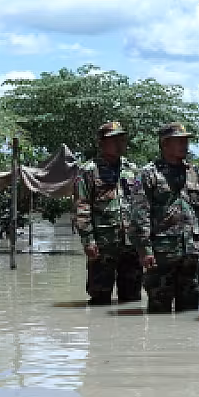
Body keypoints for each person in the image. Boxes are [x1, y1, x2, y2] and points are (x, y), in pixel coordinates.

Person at [129, 122, 199, 314]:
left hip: (191, 254)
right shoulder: (148, 174)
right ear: (165, 144)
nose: (185, 145)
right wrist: (144, 249)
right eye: (179, 141)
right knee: (158, 312)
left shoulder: (195, 173)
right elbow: (139, 214)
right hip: (161, 255)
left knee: (190, 313)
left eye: (186, 141)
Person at [74, 121, 143, 305]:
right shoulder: (89, 171)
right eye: (114, 140)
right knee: (99, 298)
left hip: (130, 245)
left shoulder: (131, 170)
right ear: (101, 143)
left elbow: (140, 205)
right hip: (102, 246)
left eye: (122, 139)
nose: (120, 144)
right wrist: (88, 240)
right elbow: (82, 207)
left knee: (132, 300)